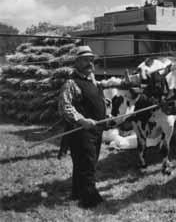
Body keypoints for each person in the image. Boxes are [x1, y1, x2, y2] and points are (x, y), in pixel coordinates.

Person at [58, 45, 139, 208]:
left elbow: (102, 93)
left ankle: (77, 192)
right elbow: (65, 106)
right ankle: (89, 200)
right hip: (81, 130)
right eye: (86, 60)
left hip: (96, 129)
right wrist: (82, 120)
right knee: (87, 163)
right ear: (77, 62)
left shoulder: (92, 79)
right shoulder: (71, 83)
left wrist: (122, 84)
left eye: (91, 59)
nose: (90, 63)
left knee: (86, 161)